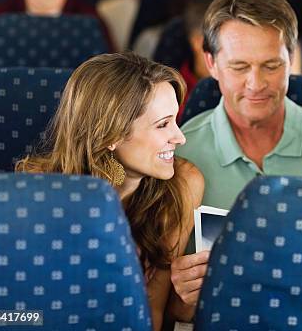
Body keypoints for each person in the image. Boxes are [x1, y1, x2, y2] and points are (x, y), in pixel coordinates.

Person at [170, 0, 302, 318]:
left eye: (271, 65)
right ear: (211, 64)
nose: (256, 83)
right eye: (239, 67)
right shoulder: (176, 158)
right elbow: (156, 308)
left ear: (292, 60)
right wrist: (182, 297)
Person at [16, 52, 204, 329]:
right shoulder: (37, 189)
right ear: (112, 134)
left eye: (175, 120)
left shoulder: (183, 183)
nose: (180, 137)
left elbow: (151, 311)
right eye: (163, 124)